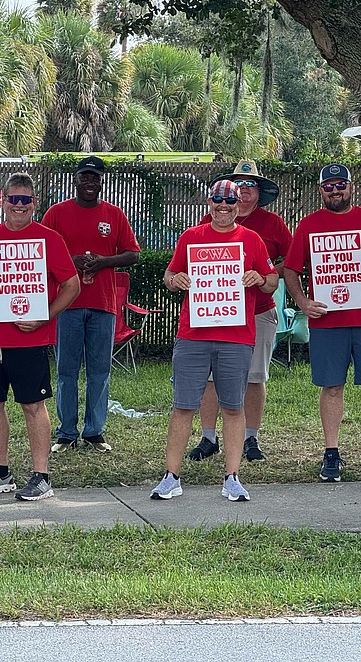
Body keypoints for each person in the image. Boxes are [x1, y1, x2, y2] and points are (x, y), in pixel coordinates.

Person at [151, 180, 278, 503]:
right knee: (183, 407)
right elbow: (169, 275)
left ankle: (232, 478)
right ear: (209, 202)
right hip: (193, 335)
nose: (224, 206)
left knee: (233, 408)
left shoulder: (252, 240)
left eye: (230, 201)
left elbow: (272, 281)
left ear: (240, 205)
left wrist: (260, 279)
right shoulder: (191, 237)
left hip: (236, 337)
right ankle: (170, 476)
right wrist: (175, 280)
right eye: (218, 200)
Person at [283, 163, 361, 483]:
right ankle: (331, 454)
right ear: (320, 190)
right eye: (329, 186)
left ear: (352, 187)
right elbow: (290, 269)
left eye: (341, 185)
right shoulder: (308, 225)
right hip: (328, 322)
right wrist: (302, 302)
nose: (335, 190)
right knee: (332, 387)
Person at [0, 173, 80, 501]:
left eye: (26, 200)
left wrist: (45, 316)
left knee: (33, 405)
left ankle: (41, 476)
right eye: (14, 199)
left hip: (29, 339)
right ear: (3, 200)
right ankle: (0, 471)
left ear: (34, 203)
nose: (20, 206)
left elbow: (72, 285)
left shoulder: (49, 239)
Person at [185, 158, 292, 464]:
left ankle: (251, 438)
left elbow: (294, 259)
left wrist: (267, 273)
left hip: (258, 311)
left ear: (259, 193)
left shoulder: (272, 225)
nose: (243, 194)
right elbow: (184, 266)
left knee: (255, 377)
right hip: (213, 313)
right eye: (238, 187)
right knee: (208, 379)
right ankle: (208, 437)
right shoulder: (205, 224)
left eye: (251, 187)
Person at [42, 156, 140, 453]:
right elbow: (41, 250)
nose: (90, 182)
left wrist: (103, 262)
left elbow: (133, 254)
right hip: (67, 303)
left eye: (95, 178)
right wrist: (68, 262)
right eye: (85, 176)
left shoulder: (114, 214)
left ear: (101, 182)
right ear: (76, 179)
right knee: (66, 370)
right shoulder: (57, 214)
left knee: (99, 370)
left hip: (103, 303)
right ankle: (66, 432)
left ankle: (94, 431)